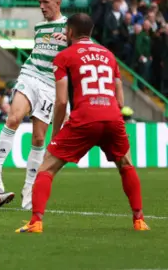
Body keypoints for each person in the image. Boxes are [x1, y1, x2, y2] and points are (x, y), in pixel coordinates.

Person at [16, 13, 149, 233]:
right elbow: (121, 100)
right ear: (91, 31)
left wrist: (56, 131)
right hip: (113, 116)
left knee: (46, 168)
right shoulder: (109, 55)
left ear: (69, 32)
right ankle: (139, 220)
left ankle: (36, 222)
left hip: (85, 117)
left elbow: (61, 101)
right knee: (126, 165)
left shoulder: (64, 56)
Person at [0, 0, 68, 209]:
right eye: (40, 2)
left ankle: (28, 188)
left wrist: (66, 39)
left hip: (50, 86)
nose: (41, 6)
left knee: (38, 139)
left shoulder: (68, 26)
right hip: (30, 75)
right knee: (13, 118)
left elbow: (82, 46)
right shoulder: (39, 27)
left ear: (58, 3)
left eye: (46, 2)